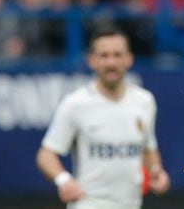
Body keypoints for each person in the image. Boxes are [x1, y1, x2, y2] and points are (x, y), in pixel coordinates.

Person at [36, 26, 170, 208]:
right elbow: (46, 154)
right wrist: (64, 180)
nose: (111, 63)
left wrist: (156, 172)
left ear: (129, 59)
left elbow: (148, 149)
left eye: (117, 55)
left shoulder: (144, 101)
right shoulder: (76, 103)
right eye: (104, 55)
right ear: (92, 60)